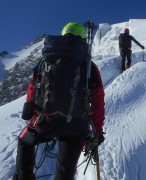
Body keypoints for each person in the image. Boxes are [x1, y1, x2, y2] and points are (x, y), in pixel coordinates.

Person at [13, 22, 105, 180]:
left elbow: (33, 89)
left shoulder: (45, 61)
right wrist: (97, 130)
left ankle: (24, 178)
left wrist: (33, 113)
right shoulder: (88, 65)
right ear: (82, 39)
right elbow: (98, 99)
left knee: (24, 141)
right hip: (76, 126)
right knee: (65, 172)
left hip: (46, 120)